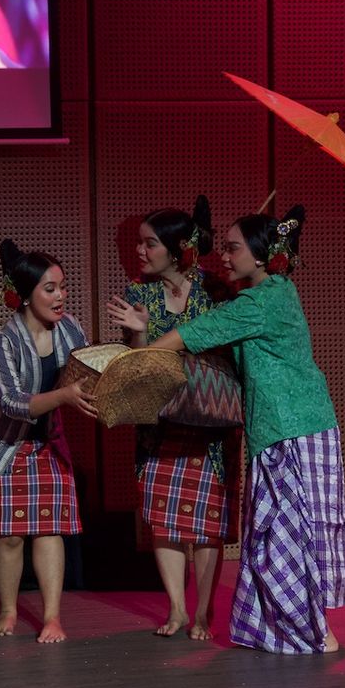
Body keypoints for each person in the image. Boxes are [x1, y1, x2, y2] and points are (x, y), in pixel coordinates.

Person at [139, 206, 345, 654]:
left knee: (286, 534)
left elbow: (198, 331)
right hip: (283, 427)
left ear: (262, 256)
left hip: (293, 427)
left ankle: (316, 633)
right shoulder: (268, 294)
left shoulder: (265, 300)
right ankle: (286, 630)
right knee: (276, 533)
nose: (223, 255)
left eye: (233, 247)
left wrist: (136, 361)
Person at [105, 196, 234, 641]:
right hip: (159, 423)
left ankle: (203, 611)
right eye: (139, 243)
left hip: (206, 421)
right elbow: (138, 363)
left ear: (178, 246)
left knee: (204, 524)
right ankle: (177, 608)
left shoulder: (216, 290)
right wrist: (138, 330)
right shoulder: (139, 294)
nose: (140, 251)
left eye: (149, 243)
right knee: (164, 519)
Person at [0, 239, 96, 643]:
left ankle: (52, 616)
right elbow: (10, 402)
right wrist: (63, 397)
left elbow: (88, 369)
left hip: (46, 441)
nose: (60, 296)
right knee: (9, 534)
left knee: (50, 528)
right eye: (49, 289)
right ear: (24, 296)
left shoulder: (70, 327)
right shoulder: (1, 341)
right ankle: (7, 608)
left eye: (62, 286)